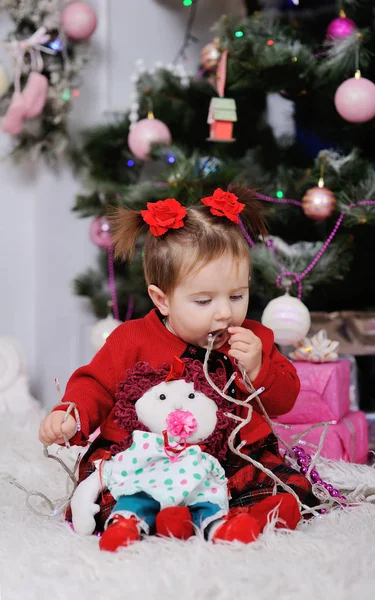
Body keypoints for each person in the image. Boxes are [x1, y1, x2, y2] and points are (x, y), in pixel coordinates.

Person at [38, 185, 318, 549]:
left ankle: (253, 514)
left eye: (236, 296)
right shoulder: (132, 338)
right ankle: (156, 519)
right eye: (203, 300)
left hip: (224, 458)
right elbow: (95, 385)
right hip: (145, 457)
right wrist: (72, 414)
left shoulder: (253, 339)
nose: (224, 312)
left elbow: (284, 399)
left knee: (282, 483)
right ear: (162, 299)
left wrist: (258, 368)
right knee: (107, 496)